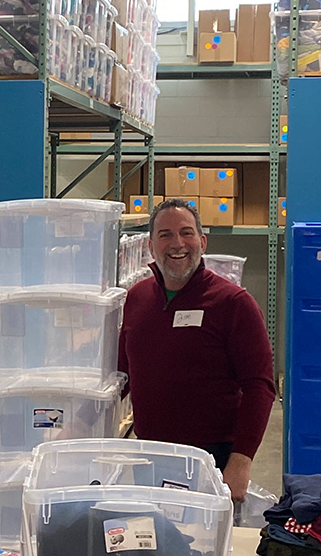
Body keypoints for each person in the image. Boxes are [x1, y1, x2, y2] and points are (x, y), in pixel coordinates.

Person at [117, 198, 275, 503]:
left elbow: (260, 387)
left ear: (202, 242)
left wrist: (241, 462)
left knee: (206, 546)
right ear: (151, 247)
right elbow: (122, 373)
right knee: (153, 543)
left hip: (211, 459)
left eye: (186, 233)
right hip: (149, 454)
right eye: (165, 235)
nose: (177, 243)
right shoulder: (136, 299)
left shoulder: (233, 303)